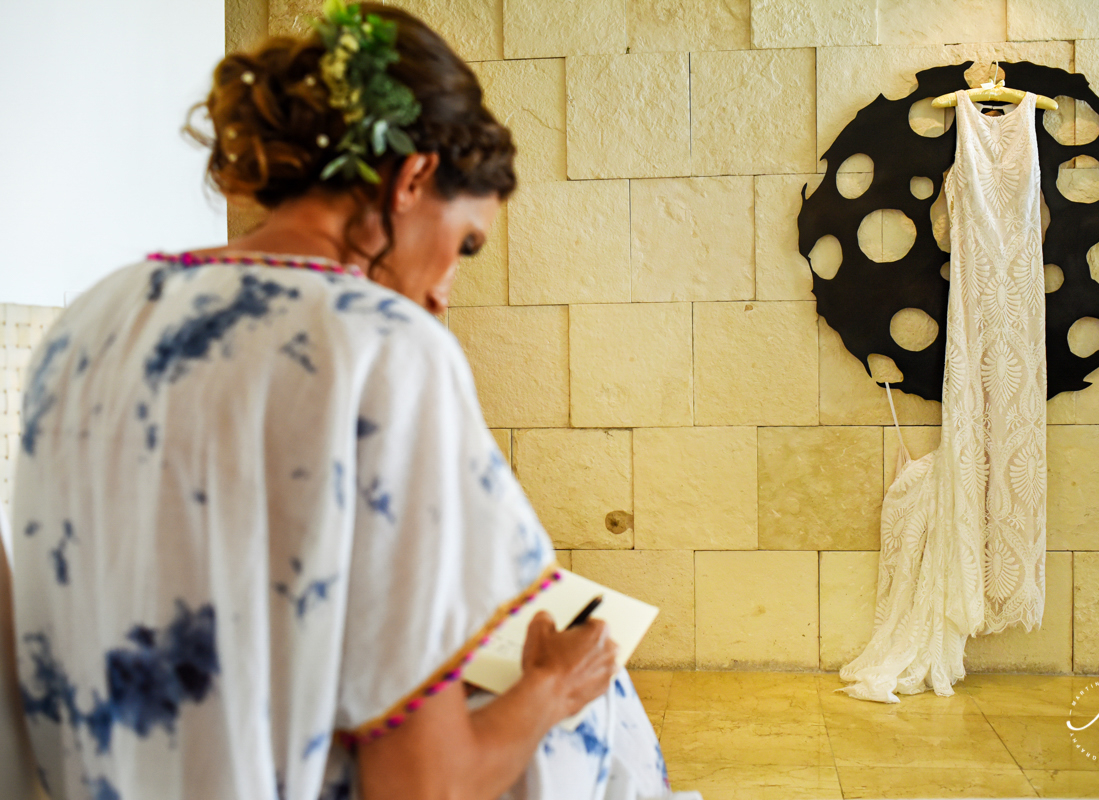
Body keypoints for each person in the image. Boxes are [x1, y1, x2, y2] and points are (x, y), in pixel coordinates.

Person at [7, 4, 694, 799]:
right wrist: (553, 689)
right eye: (464, 245)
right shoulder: (384, 349)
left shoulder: (92, 316)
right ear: (412, 179)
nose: (442, 293)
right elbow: (421, 788)